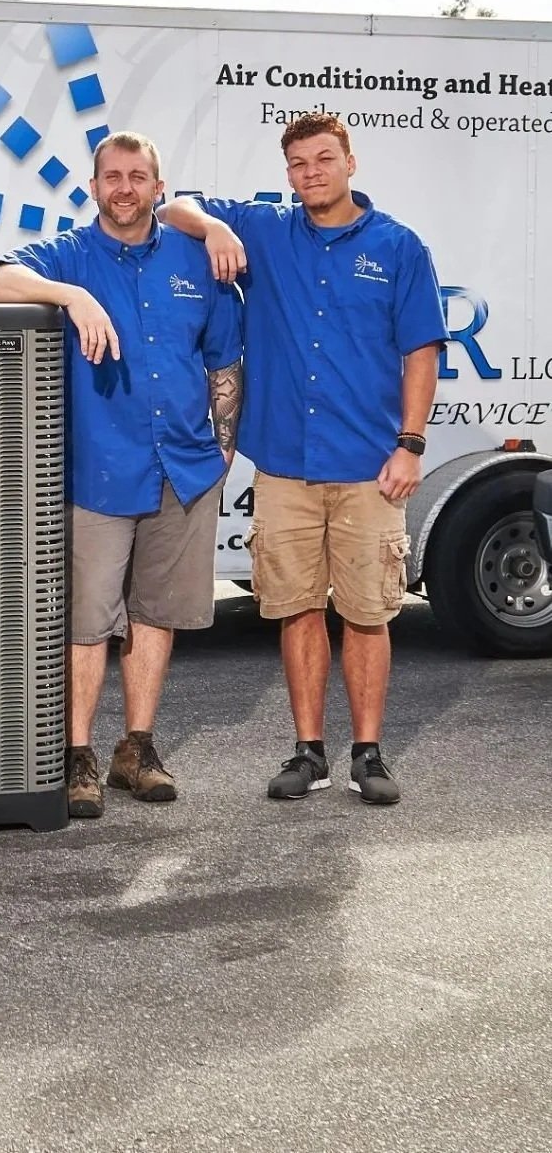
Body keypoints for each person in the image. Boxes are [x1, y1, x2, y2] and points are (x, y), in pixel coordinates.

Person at [160, 111, 446, 805]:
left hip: (369, 467)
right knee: (296, 610)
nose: (310, 173)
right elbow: (172, 208)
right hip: (285, 466)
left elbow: (421, 351)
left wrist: (410, 444)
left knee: (369, 614)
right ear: (286, 173)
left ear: (350, 162)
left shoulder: (398, 246)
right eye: (298, 163)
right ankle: (308, 751)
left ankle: (368, 754)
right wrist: (216, 228)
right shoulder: (264, 229)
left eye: (323, 159)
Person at [0, 132, 243, 819]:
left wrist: (222, 448)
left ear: (158, 187)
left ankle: (137, 748)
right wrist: (72, 296)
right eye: (112, 177)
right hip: (99, 470)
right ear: (94, 187)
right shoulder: (69, 254)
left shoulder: (195, 260)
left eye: (137, 176)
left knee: (156, 615)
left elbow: (223, 360)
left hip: (183, 469)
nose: (124, 188)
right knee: (89, 621)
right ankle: (78, 755)